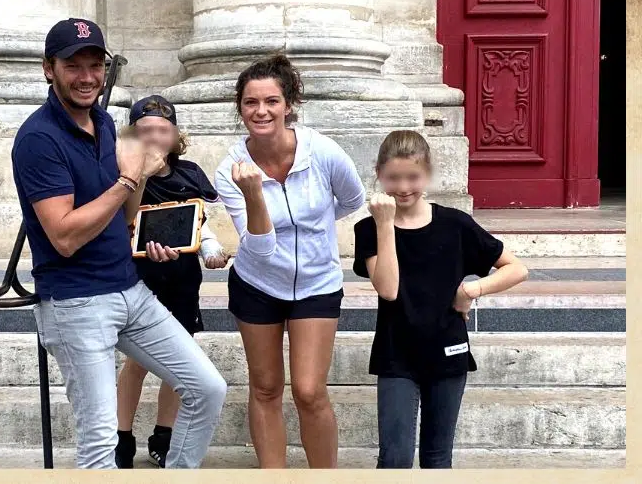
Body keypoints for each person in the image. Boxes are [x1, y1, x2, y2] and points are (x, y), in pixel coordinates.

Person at [11, 18, 226, 469]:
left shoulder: (106, 122)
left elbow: (125, 218)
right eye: (73, 65)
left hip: (129, 288)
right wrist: (128, 179)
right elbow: (65, 236)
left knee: (207, 388)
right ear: (49, 68)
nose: (87, 77)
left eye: (96, 65)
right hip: (76, 301)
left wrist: (141, 178)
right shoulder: (37, 139)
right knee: (100, 445)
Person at [214, 54, 366, 468]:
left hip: (316, 283)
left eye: (271, 101)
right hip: (257, 284)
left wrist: (314, 227)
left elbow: (352, 198)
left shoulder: (323, 151)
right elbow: (260, 247)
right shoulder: (230, 169)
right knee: (265, 387)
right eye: (250, 102)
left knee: (309, 390)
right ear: (240, 107)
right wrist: (253, 193)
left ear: (288, 104)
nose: (261, 111)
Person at [352, 130, 529, 469]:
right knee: (395, 458)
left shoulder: (454, 223)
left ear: (428, 174)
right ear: (378, 174)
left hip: (447, 350)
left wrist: (471, 291)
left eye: (413, 177)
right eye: (393, 178)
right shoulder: (368, 229)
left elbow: (517, 269)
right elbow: (388, 289)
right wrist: (385, 225)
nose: (403, 187)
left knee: (437, 458)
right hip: (396, 352)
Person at [114, 95, 230, 469]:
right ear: (132, 135)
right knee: (136, 362)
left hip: (181, 280)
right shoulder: (120, 174)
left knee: (180, 363)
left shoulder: (190, 173)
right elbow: (120, 218)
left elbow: (198, 220)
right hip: (140, 279)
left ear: (176, 135)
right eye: (145, 130)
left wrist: (211, 249)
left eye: (163, 130)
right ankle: (121, 436)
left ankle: (164, 435)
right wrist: (140, 174)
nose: (154, 137)